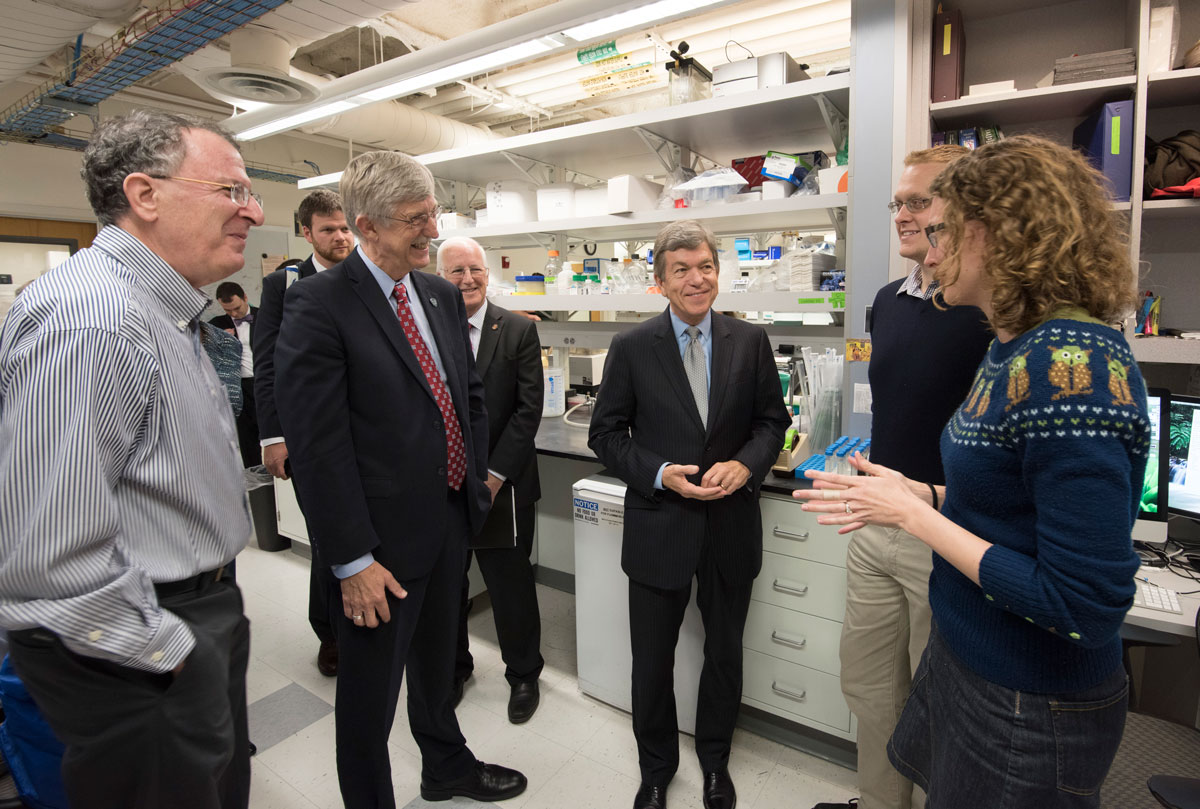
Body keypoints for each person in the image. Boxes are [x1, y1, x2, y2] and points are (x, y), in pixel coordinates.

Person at [795, 135, 1146, 809]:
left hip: (1028, 700)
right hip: (981, 665)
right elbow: (1006, 497)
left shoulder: (1071, 364)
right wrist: (918, 489)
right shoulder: (1014, 349)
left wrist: (916, 514)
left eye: (940, 231)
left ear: (987, 233)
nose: (927, 251)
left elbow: (1083, 602)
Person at [0, 108, 263, 809]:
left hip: (190, 608)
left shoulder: (161, 311)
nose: (255, 210)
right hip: (137, 645)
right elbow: (48, 556)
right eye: (232, 191)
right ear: (146, 196)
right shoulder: (97, 319)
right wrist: (169, 654)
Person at [274, 150, 527, 808]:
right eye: (416, 219)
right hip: (378, 548)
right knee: (368, 700)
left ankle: (446, 767)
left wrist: (471, 490)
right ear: (369, 225)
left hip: (447, 521)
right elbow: (318, 445)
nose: (432, 229)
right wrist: (351, 557)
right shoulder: (319, 304)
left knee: (439, 667)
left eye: (433, 213)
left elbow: (467, 396)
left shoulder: (440, 293)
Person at [588, 220, 790, 809]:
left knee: (724, 653)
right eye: (681, 270)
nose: (696, 279)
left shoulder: (749, 341)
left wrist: (746, 466)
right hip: (661, 526)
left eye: (705, 266)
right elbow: (606, 434)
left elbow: (770, 424)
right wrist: (658, 473)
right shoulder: (631, 348)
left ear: (717, 273)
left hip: (729, 526)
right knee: (651, 661)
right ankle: (656, 769)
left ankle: (716, 763)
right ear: (660, 281)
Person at [832, 145, 992, 809]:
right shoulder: (885, 302)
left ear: (965, 214)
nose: (902, 214)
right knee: (871, 691)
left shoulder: (987, 309)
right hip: (875, 526)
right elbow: (905, 402)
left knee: (946, 709)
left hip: (947, 534)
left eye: (919, 202)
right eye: (898, 202)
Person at [437, 236, 544, 723]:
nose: (468, 279)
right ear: (439, 278)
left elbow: (528, 411)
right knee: (447, 585)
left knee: (510, 586)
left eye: (475, 269)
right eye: (456, 271)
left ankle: (523, 674)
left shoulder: (518, 329)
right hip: (444, 485)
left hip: (505, 484)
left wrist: (495, 475)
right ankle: (455, 668)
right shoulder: (426, 329)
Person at [253, 188, 355, 678]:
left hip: (367, 434)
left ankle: (364, 624)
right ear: (306, 232)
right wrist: (273, 436)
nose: (340, 237)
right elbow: (267, 362)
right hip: (313, 435)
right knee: (330, 538)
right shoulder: (286, 286)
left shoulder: (370, 278)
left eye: (345, 227)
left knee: (368, 538)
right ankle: (330, 635)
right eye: (329, 229)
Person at [209, 281, 259, 467]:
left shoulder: (266, 316)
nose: (234, 314)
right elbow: (205, 356)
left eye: (237, 308)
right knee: (247, 436)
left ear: (246, 298)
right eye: (228, 310)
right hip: (238, 387)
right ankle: (255, 478)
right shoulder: (216, 325)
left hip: (266, 383)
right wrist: (220, 342)